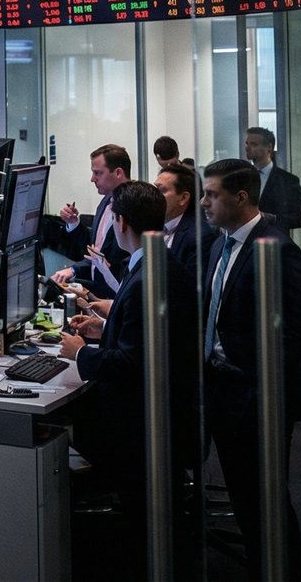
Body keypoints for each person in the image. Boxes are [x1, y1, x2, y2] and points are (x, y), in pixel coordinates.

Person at [58, 180, 198, 551]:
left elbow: (131, 363)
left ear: (120, 223)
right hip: (164, 412)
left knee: (59, 420)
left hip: (140, 423)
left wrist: (80, 352)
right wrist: (105, 325)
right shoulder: (158, 262)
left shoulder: (146, 277)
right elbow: (150, 335)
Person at [200, 159, 301, 581]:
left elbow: (292, 339)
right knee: (247, 500)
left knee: (266, 501)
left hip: (257, 397)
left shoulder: (279, 250)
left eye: (212, 195)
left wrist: (250, 386)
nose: (205, 203)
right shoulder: (220, 244)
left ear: (241, 197)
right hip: (222, 391)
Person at [49, 143, 132, 299]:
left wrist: (75, 271)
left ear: (118, 173)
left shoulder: (133, 208)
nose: (92, 179)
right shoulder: (106, 201)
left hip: (117, 297)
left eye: (98, 173)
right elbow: (95, 250)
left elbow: (112, 262)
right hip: (97, 292)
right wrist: (74, 223)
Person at [155, 161, 215, 278]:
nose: (154, 195)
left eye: (161, 191)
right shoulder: (152, 225)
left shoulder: (199, 236)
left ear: (183, 198)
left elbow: (190, 289)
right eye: (154, 188)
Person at [244, 126, 301, 231]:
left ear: (269, 147)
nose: (247, 147)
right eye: (247, 143)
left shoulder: (287, 181)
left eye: (253, 144)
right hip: (245, 241)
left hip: (273, 241)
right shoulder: (242, 177)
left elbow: (299, 218)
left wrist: (272, 218)